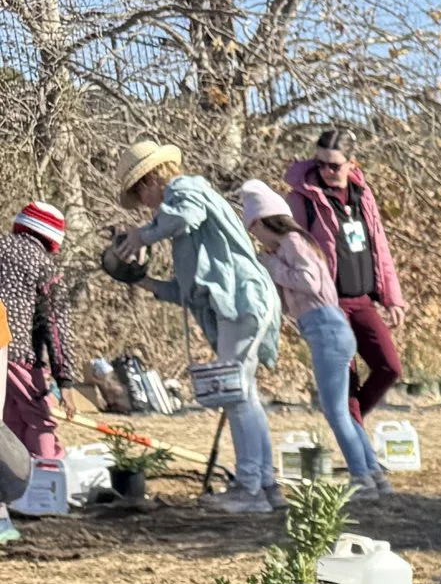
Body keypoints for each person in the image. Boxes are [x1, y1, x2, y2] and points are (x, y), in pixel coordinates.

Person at [109, 140, 282, 511]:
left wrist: (143, 234)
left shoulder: (186, 189)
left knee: (235, 396)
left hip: (243, 298)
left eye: (141, 196)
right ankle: (266, 486)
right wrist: (144, 282)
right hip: (240, 302)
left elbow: (183, 216)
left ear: (149, 181)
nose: (146, 206)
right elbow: (190, 291)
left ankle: (249, 489)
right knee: (244, 395)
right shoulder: (181, 223)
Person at [232, 178, 385, 491]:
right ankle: (374, 475)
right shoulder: (293, 246)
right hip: (327, 329)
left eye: (254, 230)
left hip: (326, 328)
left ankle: (362, 479)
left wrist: (272, 266)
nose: (256, 238)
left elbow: (309, 281)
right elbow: (293, 298)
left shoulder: (291, 241)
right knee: (341, 408)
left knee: (335, 411)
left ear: (262, 221)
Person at [284, 131, 402, 421]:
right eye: (320, 164)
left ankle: (347, 427)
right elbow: (291, 251)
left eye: (334, 165)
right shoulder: (302, 200)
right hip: (328, 304)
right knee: (346, 381)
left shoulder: (363, 196)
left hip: (361, 299)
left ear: (352, 163)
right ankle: (359, 453)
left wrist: (392, 298)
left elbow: (379, 246)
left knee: (389, 367)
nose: (326, 171)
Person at [0, 202, 74, 493]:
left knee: (8, 421)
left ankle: (10, 490)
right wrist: (64, 378)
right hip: (18, 355)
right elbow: (55, 325)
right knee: (40, 418)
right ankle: (44, 486)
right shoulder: (43, 265)